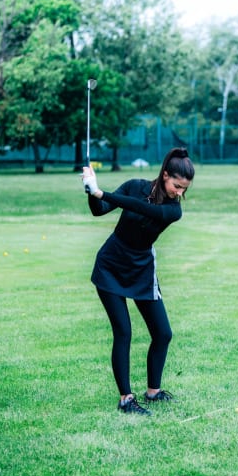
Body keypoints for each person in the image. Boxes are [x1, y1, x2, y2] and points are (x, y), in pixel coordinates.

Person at [81, 148, 195, 416]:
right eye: (176, 185)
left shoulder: (172, 209)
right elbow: (100, 210)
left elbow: (142, 208)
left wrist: (102, 191)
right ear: (164, 174)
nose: (179, 192)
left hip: (141, 267)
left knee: (163, 333)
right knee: (123, 331)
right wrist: (91, 191)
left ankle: (153, 391)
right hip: (111, 264)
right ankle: (126, 399)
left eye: (184, 189)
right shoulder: (135, 186)